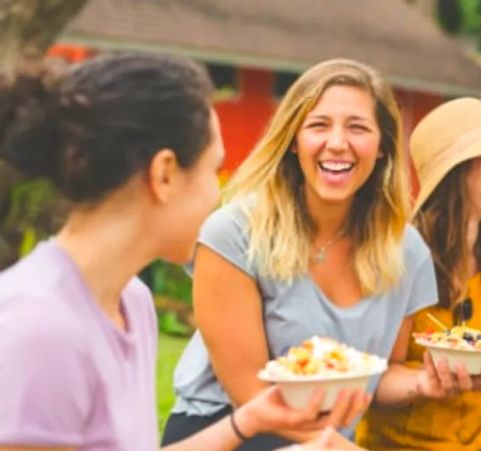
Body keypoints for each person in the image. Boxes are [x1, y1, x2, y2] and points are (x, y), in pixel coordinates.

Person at [0, 53, 356, 451]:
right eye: (212, 170)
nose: (216, 195)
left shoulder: (131, 302)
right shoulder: (41, 329)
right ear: (165, 174)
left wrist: (246, 422)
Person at [162, 58, 470, 450]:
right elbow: (252, 396)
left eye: (357, 127)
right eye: (319, 125)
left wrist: (426, 382)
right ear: (293, 139)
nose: (337, 142)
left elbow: (386, 371)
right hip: (229, 429)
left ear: (382, 148)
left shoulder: (406, 251)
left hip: (325, 442)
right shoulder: (234, 234)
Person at [357, 97, 481, 450]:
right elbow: (376, 381)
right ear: (457, 170)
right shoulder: (400, 259)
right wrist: (427, 382)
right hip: (402, 441)